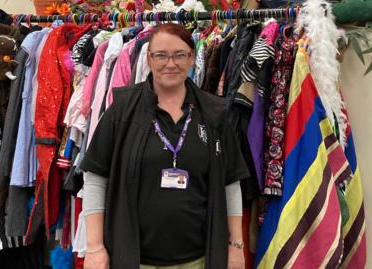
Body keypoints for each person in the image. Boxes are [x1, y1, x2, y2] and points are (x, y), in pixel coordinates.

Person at [81, 23, 250, 269]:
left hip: (199, 260)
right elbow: (96, 178)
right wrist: (95, 248)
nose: (170, 64)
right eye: (161, 55)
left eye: (180, 55)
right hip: (135, 260)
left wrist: (235, 246)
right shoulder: (122, 110)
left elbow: (230, 182)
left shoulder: (214, 113)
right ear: (148, 59)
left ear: (192, 58)